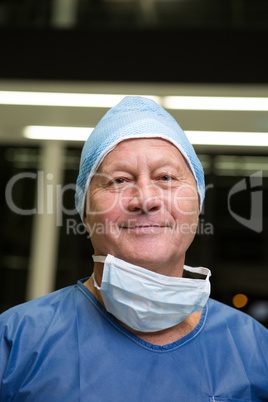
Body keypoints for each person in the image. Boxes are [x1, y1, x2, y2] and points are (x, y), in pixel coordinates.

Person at [0, 96, 267, 402]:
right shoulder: (16, 343)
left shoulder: (254, 350)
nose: (145, 199)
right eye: (119, 180)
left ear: (198, 204)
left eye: (166, 177)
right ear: (85, 210)